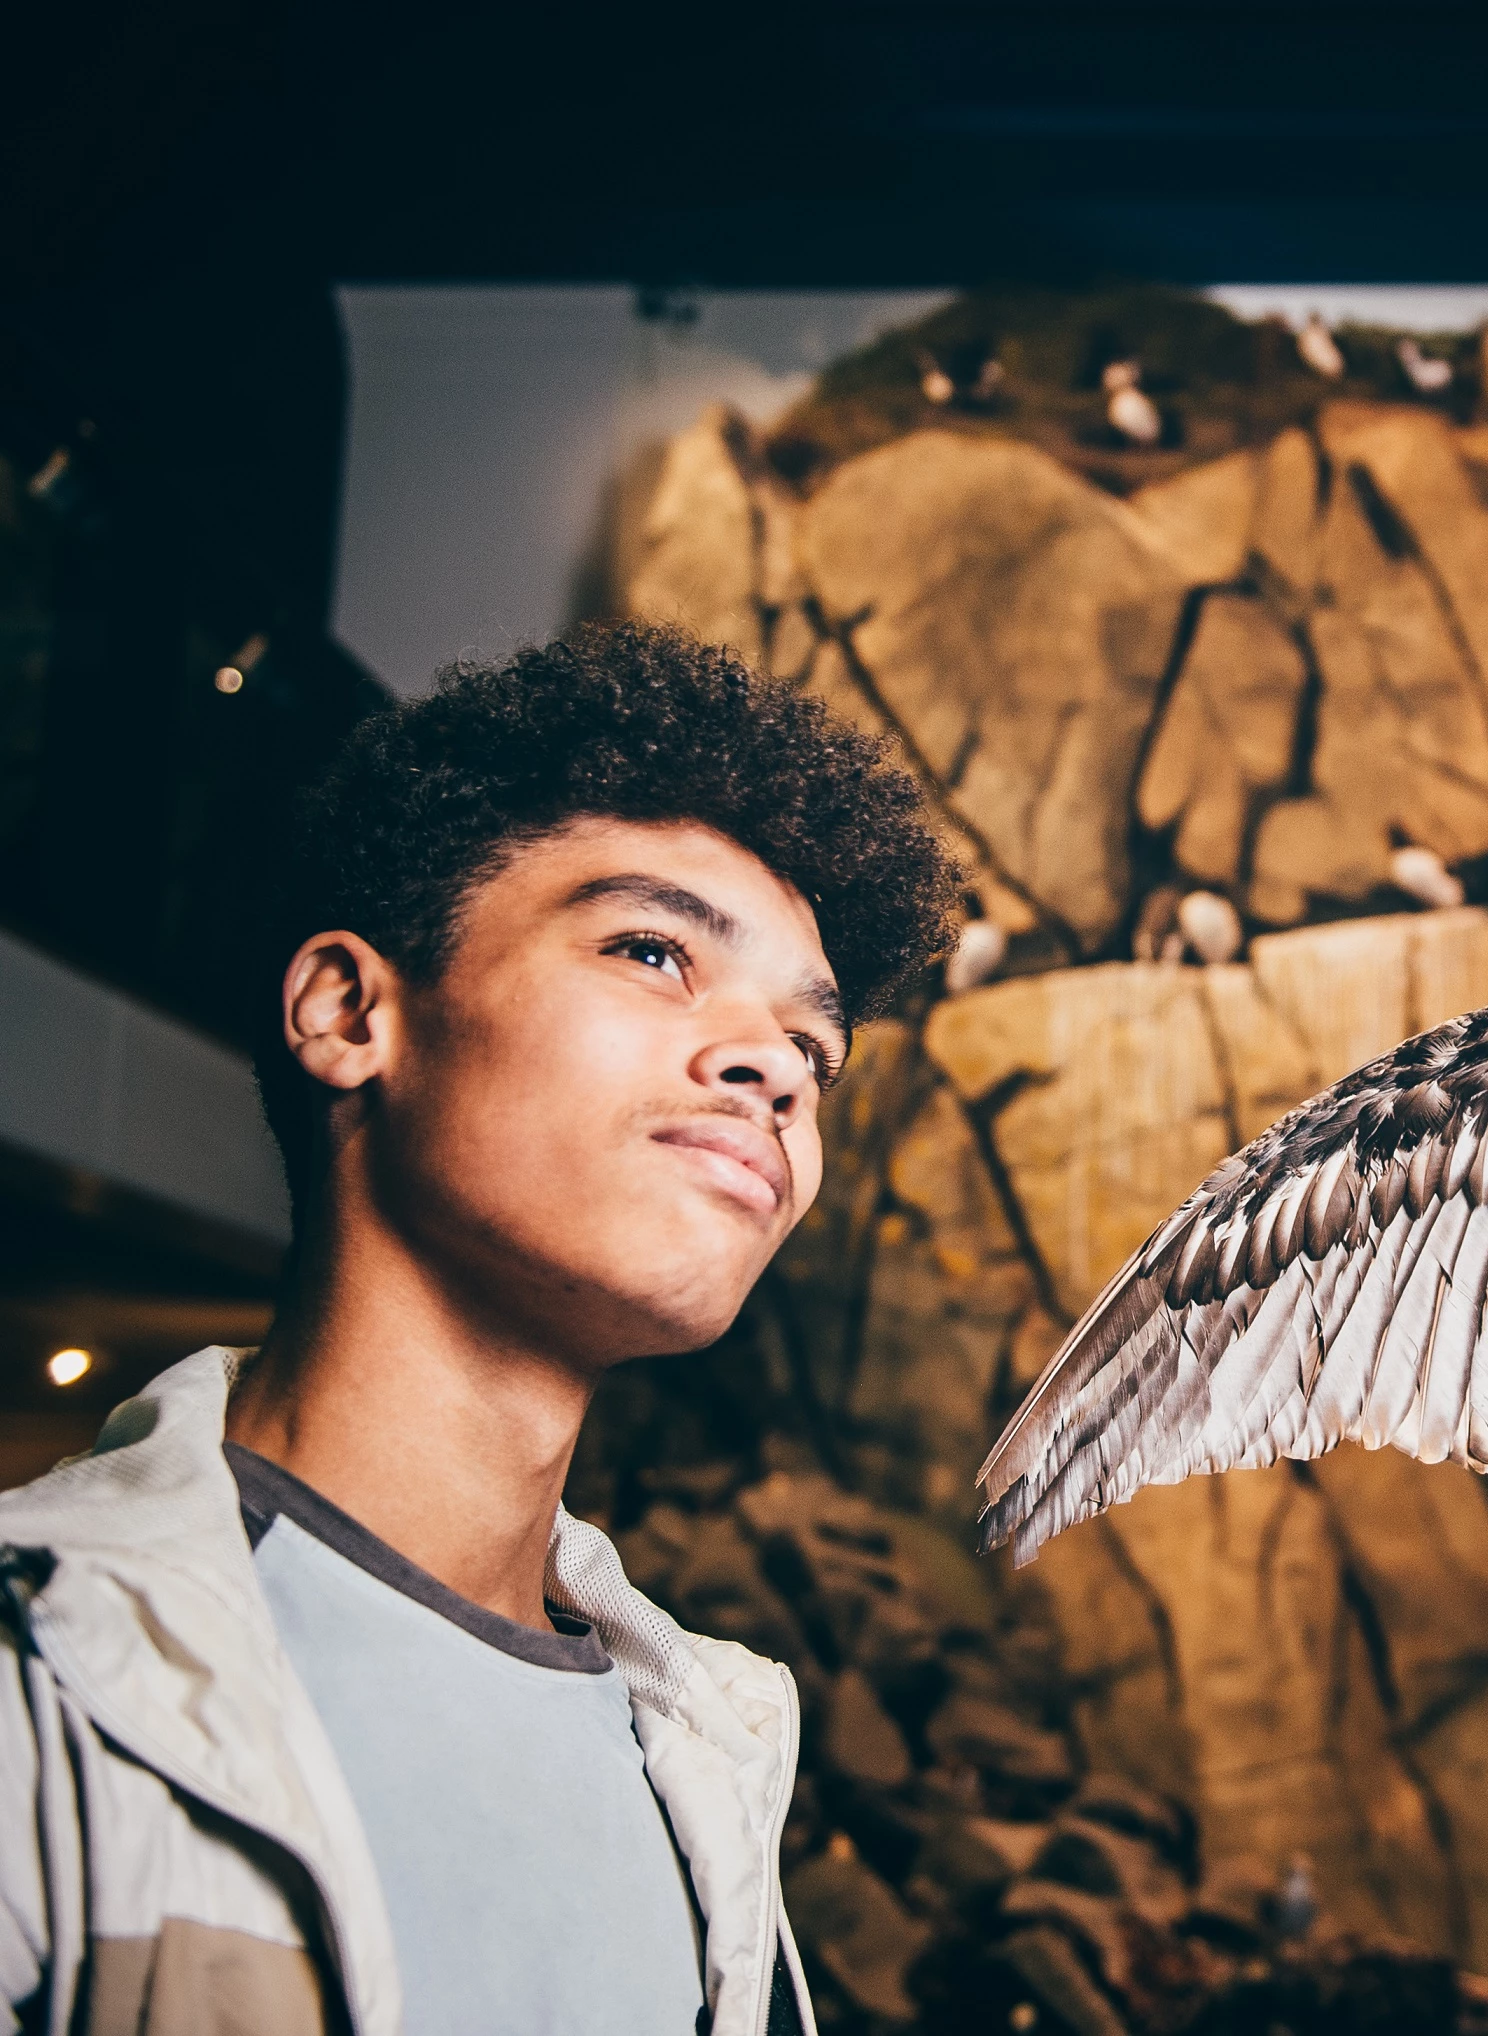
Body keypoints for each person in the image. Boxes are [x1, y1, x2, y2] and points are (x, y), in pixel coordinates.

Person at [0, 625, 960, 2036]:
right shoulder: (47, 1682)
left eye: (815, 1051)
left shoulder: (709, 1757)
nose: (774, 1073)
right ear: (348, 1012)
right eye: (652, 951)